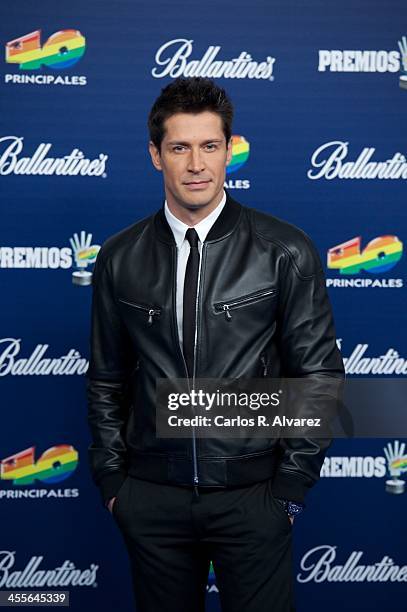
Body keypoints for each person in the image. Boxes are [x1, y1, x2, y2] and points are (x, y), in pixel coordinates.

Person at [86, 76, 345, 612]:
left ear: (231, 150)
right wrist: (116, 483)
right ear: (156, 155)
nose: (196, 164)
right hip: (152, 497)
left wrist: (289, 490)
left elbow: (318, 375)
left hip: (253, 496)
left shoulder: (284, 250)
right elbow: (107, 378)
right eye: (180, 147)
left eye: (209, 146)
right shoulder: (119, 257)